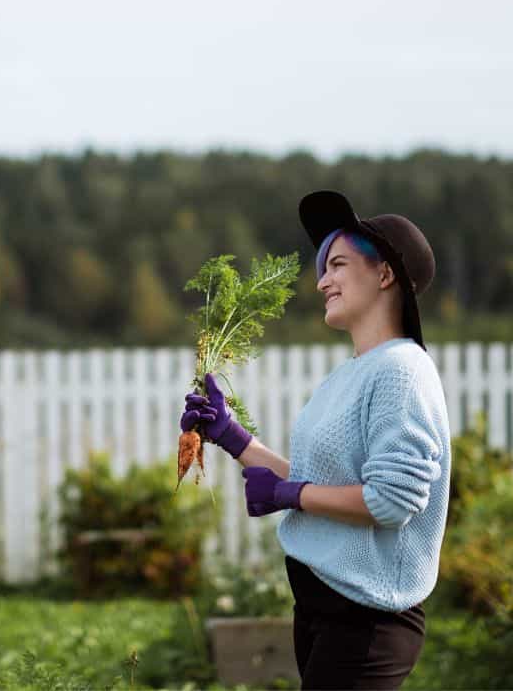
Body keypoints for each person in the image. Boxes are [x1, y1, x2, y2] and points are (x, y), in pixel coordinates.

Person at [180, 190, 450, 690]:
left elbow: (391, 501)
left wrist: (290, 496)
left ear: (385, 274)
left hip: (368, 620)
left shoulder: (402, 371)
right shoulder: (353, 373)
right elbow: (320, 480)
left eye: (338, 264)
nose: (322, 280)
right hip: (324, 611)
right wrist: (234, 438)